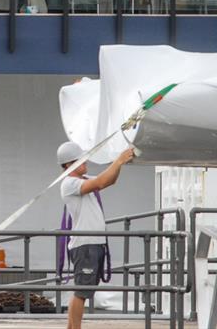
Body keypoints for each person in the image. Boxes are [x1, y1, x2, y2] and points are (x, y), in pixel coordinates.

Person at [58, 141, 136, 329]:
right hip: (85, 244)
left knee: (83, 290)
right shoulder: (69, 183)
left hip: (93, 243)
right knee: (81, 292)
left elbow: (108, 180)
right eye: (81, 159)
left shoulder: (83, 180)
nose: (86, 162)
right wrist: (118, 160)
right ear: (69, 164)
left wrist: (120, 164)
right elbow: (101, 181)